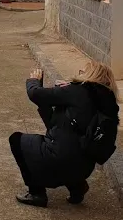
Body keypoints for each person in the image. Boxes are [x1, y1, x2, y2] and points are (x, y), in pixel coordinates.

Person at [9, 60, 119, 207]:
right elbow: (55, 126)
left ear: (89, 74)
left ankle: (36, 193)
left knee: (16, 140)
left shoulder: (78, 91)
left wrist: (33, 81)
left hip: (59, 162)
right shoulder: (108, 105)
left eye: (82, 72)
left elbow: (34, 94)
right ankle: (77, 187)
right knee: (70, 147)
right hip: (84, 169)